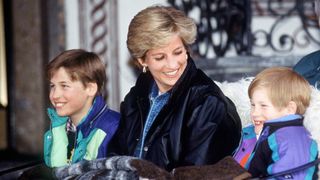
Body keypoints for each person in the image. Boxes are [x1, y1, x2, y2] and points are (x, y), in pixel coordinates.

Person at [107, 5, 242, 171]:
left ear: (186, 50)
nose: (172, 64)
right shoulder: (137, 96)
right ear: (142, 61)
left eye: (178, 52)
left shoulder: (208, 104)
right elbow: (114, 157)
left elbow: (196, 174)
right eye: (160, 57)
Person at [233, 67, 318, 179]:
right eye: (253, 105)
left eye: (263, 106)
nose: (254, 113)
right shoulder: (251, 133)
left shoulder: (293, 138)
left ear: (289, 109)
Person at [43, 49, 120, 168]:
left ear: (90, 88)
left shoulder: (114, 128)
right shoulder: (59, 126)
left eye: (64, 86)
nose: (54, 95)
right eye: (52, 86)